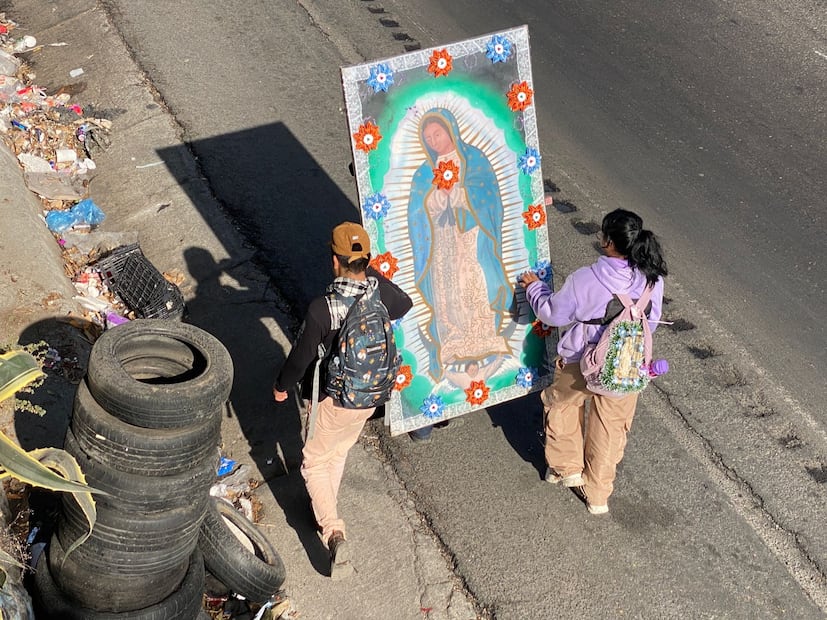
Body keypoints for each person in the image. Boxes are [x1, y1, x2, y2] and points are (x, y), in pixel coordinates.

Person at [273, 222, 412, 577]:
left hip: (333, 399)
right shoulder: (380, 295)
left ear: (334, 261)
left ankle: (333, 532)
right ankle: (325, 509)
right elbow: (406, 302)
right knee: (336, 452)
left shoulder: (324, 308)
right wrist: (369, 272)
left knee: (314, 461)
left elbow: (301, 356)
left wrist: (282, 386)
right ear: (365, 260)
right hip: (370, 398)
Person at [518, 209, 667, 515]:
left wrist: (534, 287)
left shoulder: (586, 279)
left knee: (561, 406)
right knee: (610, 428)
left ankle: (565, 468)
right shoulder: (653, 280)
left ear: (608, 242)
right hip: (628, 367)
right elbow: (650, 323)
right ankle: (598, 495)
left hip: (579, 361)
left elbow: (552, 313)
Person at [407, 108, 514, 383]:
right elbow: (417, 211)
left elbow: (489, 196)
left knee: (471, 281)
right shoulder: (424, 172)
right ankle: (453, 341)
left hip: (470, 235)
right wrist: (437, 197)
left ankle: (482, 337)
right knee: (446, 287)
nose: (433, 140)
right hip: (441, 239)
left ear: (450, 130)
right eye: (428, 137)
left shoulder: (473, 159)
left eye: (437, 133)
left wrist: (459, 193)